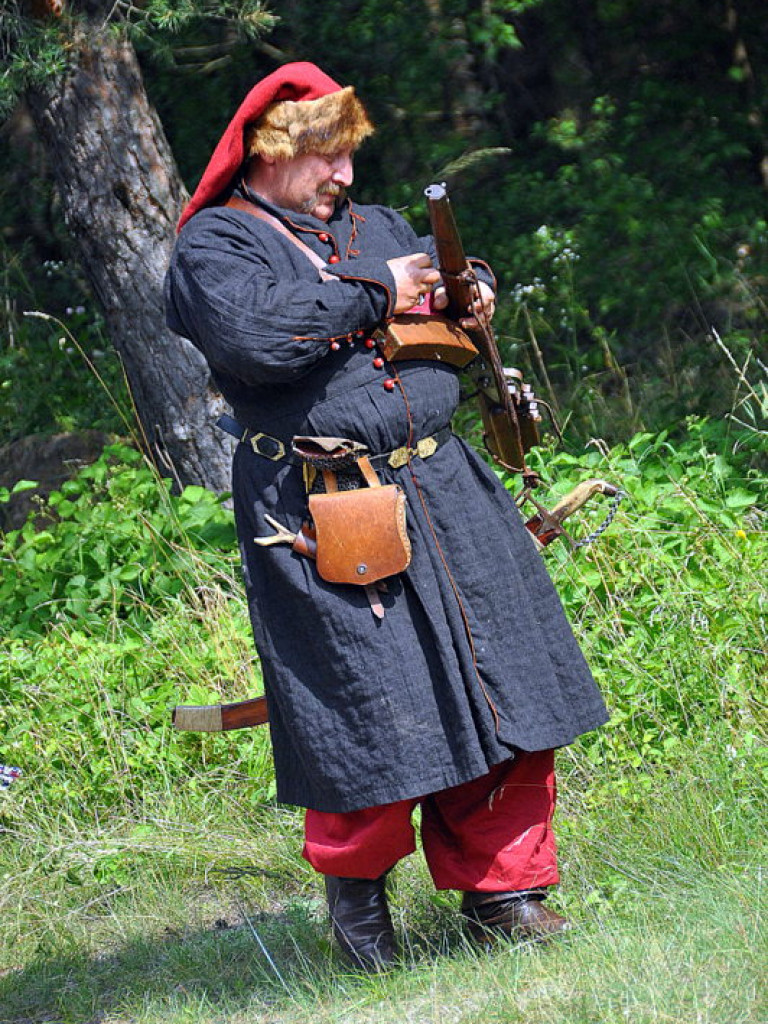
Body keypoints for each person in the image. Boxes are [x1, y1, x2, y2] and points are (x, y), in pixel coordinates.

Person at [165, 61, 608, 970]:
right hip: (328, 507)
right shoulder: (217, 247)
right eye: (328, 157)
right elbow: (257, 338)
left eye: (350, 155)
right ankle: (362, 924)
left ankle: (508, 899)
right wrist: (381, 291)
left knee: (510, 688)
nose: (345, 178)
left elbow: (425, 295)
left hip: (446, 485)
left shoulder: (378, 228)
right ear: (270, 151)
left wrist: (462, 293)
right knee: (365, 712)